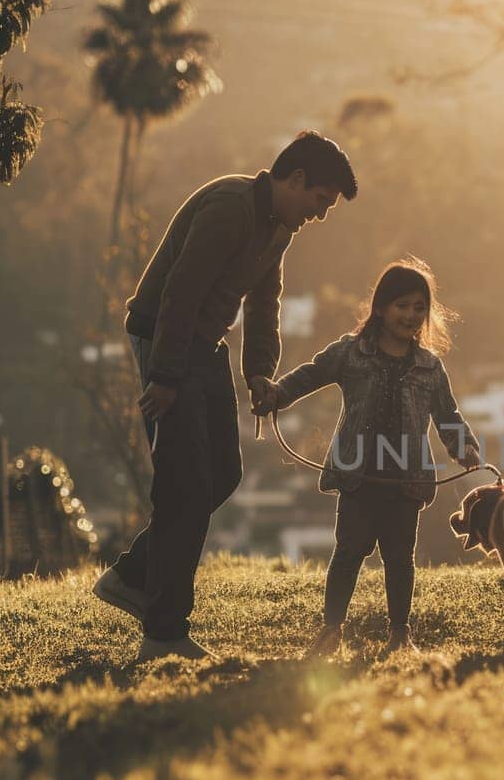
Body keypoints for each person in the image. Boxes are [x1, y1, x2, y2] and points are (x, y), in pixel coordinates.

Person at [92, 131, 357, 662]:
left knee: (222, 475)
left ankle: (131, 576)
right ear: (296, 179)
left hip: (205, 344)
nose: (320, 215)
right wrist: (164, 377)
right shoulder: (229, 206)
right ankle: (163, 633)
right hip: (167, 339)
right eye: (320, 201)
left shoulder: (278, 227)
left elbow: (265, 301)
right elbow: (180, 292)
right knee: (183, 485)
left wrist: (260, 371)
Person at [264, 257, 482, 658]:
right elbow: (311, 373)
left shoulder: (430, 367)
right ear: (380, 308)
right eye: (402, 306)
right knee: (348, 552)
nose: (412, 315)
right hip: (358, 477)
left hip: (406, 480)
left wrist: (463, 447)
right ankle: (331, 631)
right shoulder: (351, 353)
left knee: (400, 559)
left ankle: (400, 634)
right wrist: (278, 393)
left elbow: (447, 416)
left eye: (419, 308)